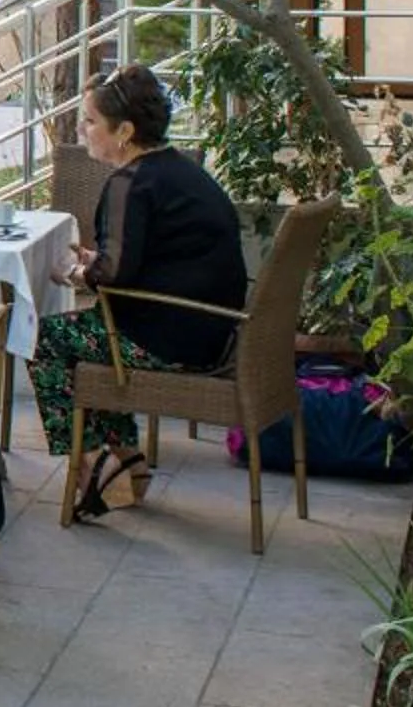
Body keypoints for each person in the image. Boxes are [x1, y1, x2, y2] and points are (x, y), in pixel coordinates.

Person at [31, 65, 250, 520]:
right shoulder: (176, 171)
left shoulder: (130, 182)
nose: (82, 131)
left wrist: (72, 272)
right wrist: (99, 262)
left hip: (167, 338)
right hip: (209, 328)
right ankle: (125, 460)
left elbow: (114, 275)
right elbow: (148, 257)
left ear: (125, 131)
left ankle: (93, 466)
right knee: (88, 339)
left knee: (44, 339)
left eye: (90, 121)